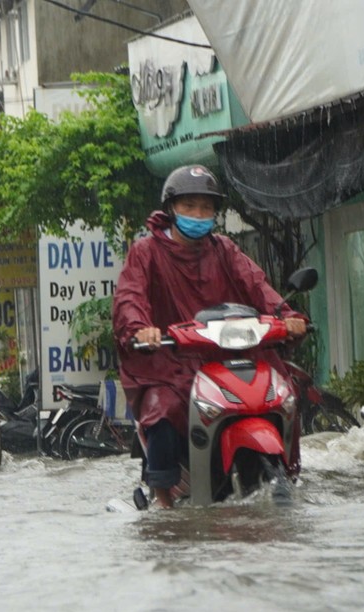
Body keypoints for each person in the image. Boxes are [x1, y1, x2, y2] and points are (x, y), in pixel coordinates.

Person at [112, 165, 308, 508]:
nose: (199, 215)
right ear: (172, 208)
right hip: (171, 361)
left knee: (283, 392)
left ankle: (289, 471)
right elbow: (130, 297)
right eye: (190, 207)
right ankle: (164, 503)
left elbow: (258, 287)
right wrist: (140, 328)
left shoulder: (225, 249)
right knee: (163, 408)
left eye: (206, 208)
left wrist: (288, 317)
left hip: (231, 354)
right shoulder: (146, 252)